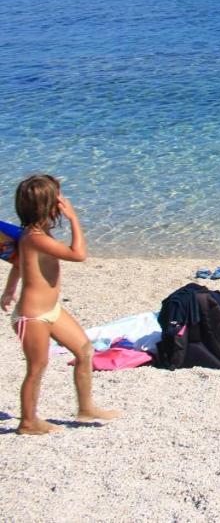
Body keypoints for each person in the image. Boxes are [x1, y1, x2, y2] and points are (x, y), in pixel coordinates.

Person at [1, 175, 119, 434]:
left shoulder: (36, 234)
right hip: (32, 317)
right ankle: (28, 422)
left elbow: (21, 263)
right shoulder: (34, 237)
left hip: (52, 310)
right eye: (58, 197)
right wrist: (74, 218)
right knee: (37, 367)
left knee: (84, 350)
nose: (62, 201)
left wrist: (9, 290)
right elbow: (79, 254)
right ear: (49, 205)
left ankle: (85, 408)